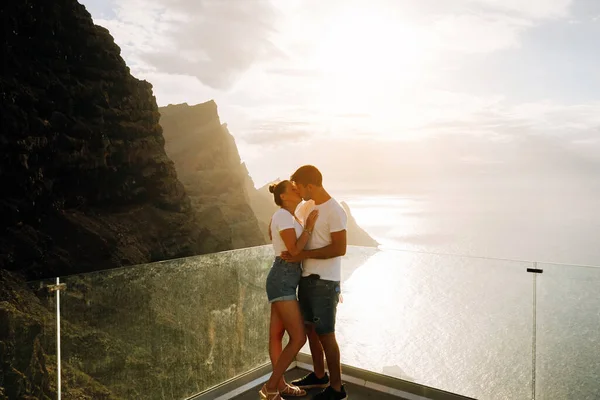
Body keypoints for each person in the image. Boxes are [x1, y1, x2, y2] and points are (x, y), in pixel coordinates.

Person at [281, 165, 348, 400]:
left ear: (310, 185)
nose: (298, 191)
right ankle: (319, 376)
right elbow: (298, 233)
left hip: (325, 283)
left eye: (299, 187)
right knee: (310, 330)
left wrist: (303, 255)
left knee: (326, 334)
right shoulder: (307, 206)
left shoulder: (335, 211)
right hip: (306, 280)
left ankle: (337, 389)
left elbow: (340, 248)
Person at [260, 180, 320, 400]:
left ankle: (281, 386)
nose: (298, 190)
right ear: (284, 197)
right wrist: (309, 228)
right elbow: (294, 250)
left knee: (276, 336)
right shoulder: (284, 216)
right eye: (293, 189)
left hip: (284, 277)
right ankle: (271, 386)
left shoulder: (289, 216)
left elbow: (289, 246)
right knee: (298, 337)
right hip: (283, 278)